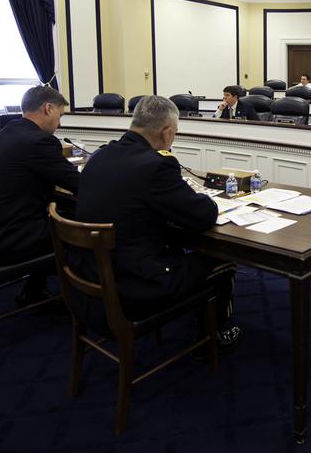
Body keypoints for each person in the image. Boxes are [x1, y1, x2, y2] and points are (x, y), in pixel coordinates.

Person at [74, 95, 241, 348]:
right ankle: (214, 337)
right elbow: (203, 216)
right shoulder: (156, 165)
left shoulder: (99, 156)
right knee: (223, 258)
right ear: (167, 133)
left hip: (88, 278)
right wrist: (203, 199)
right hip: (132, 286)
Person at [0, 86, 79, 306]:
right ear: (48, 108)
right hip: (8, 239)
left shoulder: (8, 131)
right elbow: (78, 184)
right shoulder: (39, 141)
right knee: (80, 234)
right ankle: (78, 302)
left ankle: (34, 290)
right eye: (60, 116)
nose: (59, 124)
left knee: (55, 215)